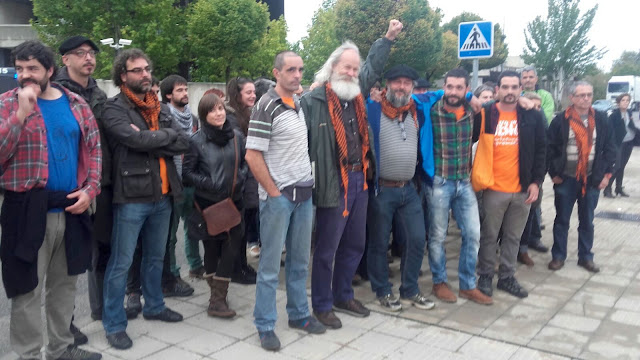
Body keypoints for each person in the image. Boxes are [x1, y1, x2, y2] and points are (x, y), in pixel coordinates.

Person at [0, 40, 102, 360]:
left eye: (33, 68)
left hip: (72, 206)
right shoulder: (6, 103)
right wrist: (20, 115)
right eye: (20, 69)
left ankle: (60, 349)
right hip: (25, 208)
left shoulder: (76, 104)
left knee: (65, 286)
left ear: (50, 71)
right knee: (26, 288)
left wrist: (91, 190)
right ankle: (28, 354)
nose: (25, 75)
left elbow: (95, 150)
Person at [302, 19, 402, 329]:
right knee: (326, 248)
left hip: (360, 180)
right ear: (333, 67)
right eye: (347, 67)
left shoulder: (356, 97)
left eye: (356, 69)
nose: (352, 73)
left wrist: (387, 39)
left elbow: (372, 66)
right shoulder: (313, 101)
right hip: (333, 182)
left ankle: (343, 294)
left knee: (355, 244)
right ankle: (321, 304)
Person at [101, 48, 188, 350]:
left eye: (147, 69)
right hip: (131, 197)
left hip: (163, 195)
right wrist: (162, 138)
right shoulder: (113, 108)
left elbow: (184, 141)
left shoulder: (159, 106)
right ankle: (113, 323)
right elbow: (133, 139)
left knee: (155, 257)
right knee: (121, 263)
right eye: (137, 70)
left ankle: (154, 305)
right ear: (123, 75)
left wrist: (153, 138)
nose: (145, 74)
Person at [246, 50, 325, 351]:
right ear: (276, 73)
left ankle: (299, 315)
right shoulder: (266, 105)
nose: (297, 75)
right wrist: (274, 192)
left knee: (299, 262)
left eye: (301, 70)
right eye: (290, 70)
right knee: (269, 266)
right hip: (279, 198)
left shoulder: (298, 104)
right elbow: (252, 155)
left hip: (304, 194)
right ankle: (265, 324)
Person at [365, 64, 436, 311]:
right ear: (387, 85)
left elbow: (442, 94)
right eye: (397, 82)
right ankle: (382, 291)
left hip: (409, 190)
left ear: (412, 88)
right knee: (379, 243)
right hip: (382, 190)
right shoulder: (372, 109)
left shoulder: (416, 111)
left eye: (407, 83)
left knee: (417, 239)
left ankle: (410, 289)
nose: (401, 86)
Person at [55, 35, 110, 345]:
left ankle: (100, 309)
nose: (88, 58)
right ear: (65, 59)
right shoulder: (57, 93)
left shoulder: (98, 94)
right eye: (80, 53)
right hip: (68, 184)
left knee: (98, 250)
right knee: (64, 262)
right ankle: (65, 324)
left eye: (91, 53)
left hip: (97, 182)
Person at [475, 71, 546, 299]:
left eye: (514, 87)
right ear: (497, 90)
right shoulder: (487, 113)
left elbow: (540, 151)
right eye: (505, 87)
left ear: (520, 90)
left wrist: (536, 182)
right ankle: (485, 275)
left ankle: (506, 277)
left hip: (522, 189)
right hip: (494, 188)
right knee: (489, 235)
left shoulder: (531, 116)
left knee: (513, 237)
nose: (510, 92)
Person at [424, 68, 492, 305]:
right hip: (440, 183)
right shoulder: (432, 110)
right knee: (438, 236)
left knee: (473, 233)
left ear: (466, 89)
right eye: (449, 86)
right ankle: (439, 282)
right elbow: (417, 95)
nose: (453, 92)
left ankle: (467, 285)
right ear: (444, 86)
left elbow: (504, 103)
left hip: (464, 182)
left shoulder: (474, 112)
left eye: (459, 87)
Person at [182, 93, 247, 318]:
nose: (218, 113)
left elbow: (245, 163)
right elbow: (187, 172)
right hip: (209, 203)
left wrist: (240, 179)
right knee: (211, 248)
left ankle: (217, 298)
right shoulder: (196, 141)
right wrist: (210, 184)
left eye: (220, 108)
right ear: (204, 115)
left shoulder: (237, 136)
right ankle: (217, 300)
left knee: (231, 247)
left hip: (234, 201)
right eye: (212, 110)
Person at [547, 81, 616, 273]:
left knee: (587, 221)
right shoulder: (560, 120)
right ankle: (558, 256)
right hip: (566, 179)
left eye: (589, 94)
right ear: (572, 98)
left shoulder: (602, 119)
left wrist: (607, 176)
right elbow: (549, 149)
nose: (586, 98)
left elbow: (611, 149)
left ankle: (585, 257)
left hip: (592, 179)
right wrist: (553, 173)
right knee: (562, 220)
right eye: (581, 95)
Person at [161, 74, 203, 283]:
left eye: (186, 89)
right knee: (170, 234)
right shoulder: (163, 118)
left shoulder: (194, 119)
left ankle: (195, 266)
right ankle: (172, 273)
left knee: (193, 226)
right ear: (168, 95)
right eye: (179, 90)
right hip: (172, 183)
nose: (185, 93)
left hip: (192, 181)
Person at [225, 77, 260, 283]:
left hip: (248, 176)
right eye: (248, 92)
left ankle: (242, 265)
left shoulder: (247, 113)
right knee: (236, 227)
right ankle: (235, 269)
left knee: (244, 225)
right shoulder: (230, 116)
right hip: (236, 178)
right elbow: (239, 142)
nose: (253, 95)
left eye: (254, 92)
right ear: (237, 95)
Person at [517, 92, 549, 267]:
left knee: (531, 214)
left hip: (536, 178)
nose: (536, 109)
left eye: (539, 107)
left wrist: (539, 178)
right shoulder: (523, 122)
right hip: (519, 178)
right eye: (532, 106)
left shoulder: (542, 125)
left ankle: (524, 248)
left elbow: (544, 151)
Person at [604, 93, 636, 198]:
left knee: (622, 166)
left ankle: (619, 188)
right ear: (618, 102)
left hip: (629, 142)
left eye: (627, 100)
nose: (625, 102)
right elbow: (610, 131)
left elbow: (631, 125)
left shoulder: (629, 113)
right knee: (616, 166)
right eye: (623, 100)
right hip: (618, 143)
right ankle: (607, 189)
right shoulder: (614, 115)